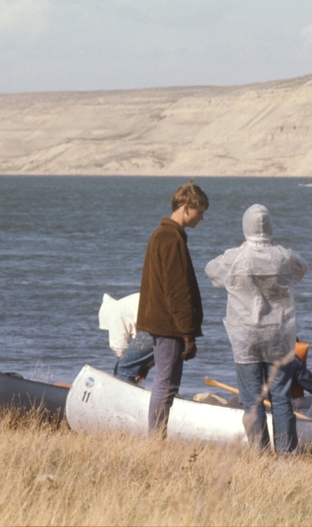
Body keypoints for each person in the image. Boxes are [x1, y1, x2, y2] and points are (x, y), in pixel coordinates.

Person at [205, 204, 308, 453]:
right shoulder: (283, 256)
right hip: (279, 337)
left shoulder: (235, 257)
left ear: (245, 227)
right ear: (270, 227)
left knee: (252, 399)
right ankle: (286, 455)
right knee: (281, 397)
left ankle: (260, 454)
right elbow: (302, 269)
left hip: (245, 338)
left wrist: (241, 251)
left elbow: (211, 271)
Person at [136, 180, 208, 437]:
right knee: (166, 384)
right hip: (169, 326)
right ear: (186, 207)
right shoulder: (170, 237)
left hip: (163, 323)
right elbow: (177, 290)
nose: (202, 218)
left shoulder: (163, 234)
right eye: (199, 212)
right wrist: (187, 332)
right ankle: (156, 439)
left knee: (166, 383)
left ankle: (157, 437)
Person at [98, 293, 155, 384]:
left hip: (154, 326)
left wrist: (135, 365)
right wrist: (145, 366)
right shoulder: (126, 304)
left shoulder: (114, 311)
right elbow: (148, 351)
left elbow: (118, 347)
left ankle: (121, 395)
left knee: (122, 368)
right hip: (169, 324)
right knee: (165, 373)